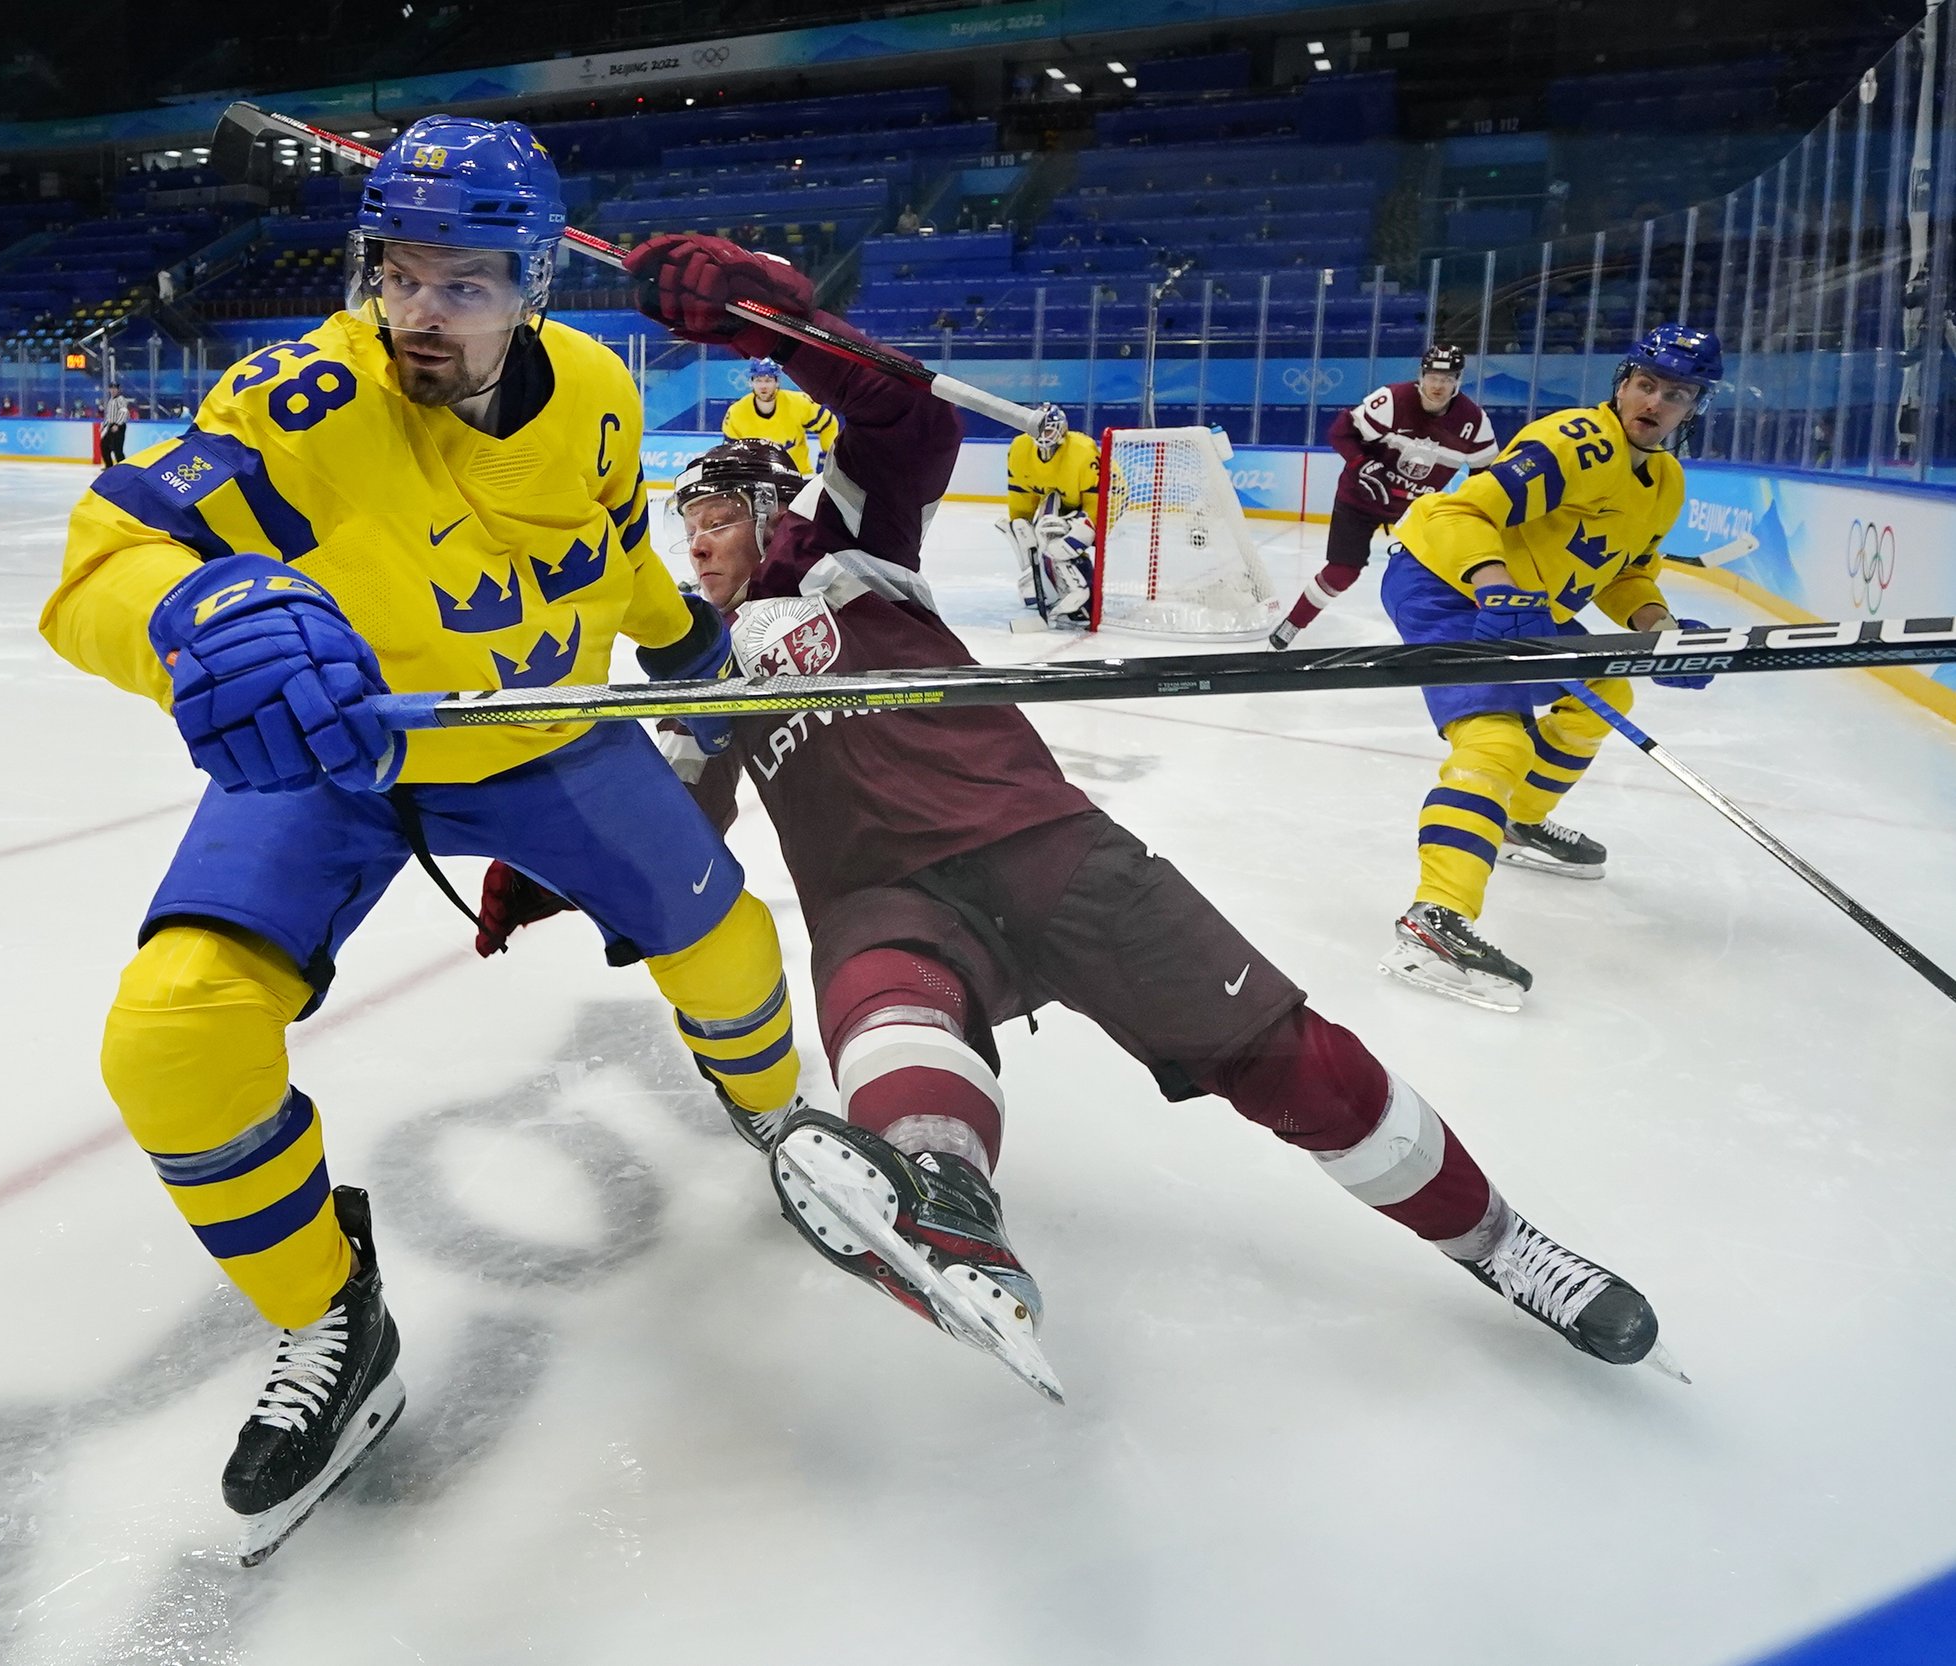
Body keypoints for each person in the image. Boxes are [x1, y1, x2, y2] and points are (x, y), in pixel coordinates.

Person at [478, 232, 1673, 1403]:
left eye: (721, 515)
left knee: (1285, 1059)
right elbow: (668, 826)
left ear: (774, 509)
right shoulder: (699, 675)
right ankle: (945, 1203)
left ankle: (1504, 1244)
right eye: (686, 525)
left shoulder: (844, 552)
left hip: (1041, 842)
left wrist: (758, 313)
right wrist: (550, 852)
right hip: (880, 897)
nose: (698, 540)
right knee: (879, 1005)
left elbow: (907, 419)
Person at [38, 116, 804, 1565]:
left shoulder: (595, 390)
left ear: (533, 287)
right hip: (344, 752)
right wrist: (188, 616)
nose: (413, 313)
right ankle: (332, 1312)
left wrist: (684, 631)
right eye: (395, 273)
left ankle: (775, 1115)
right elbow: (101, 561)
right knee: (169, 1031)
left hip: (547, 737)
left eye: (459, 284)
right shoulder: (304, 399)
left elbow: (599, 547)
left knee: (731, 943)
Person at [1375, 325, 1723, 1011]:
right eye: (1646, 384)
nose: (1654, 402)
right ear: (1623, 384)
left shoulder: (1666, 482)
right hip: (1443, 578)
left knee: (1605, 687)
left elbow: (1627, 576)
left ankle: (1516, 821)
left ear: (1693, 408)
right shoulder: (1575, 442)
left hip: (1522, 601)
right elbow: (1461, 512)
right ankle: (1432, 921)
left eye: (1675, 394)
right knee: (1495, 738)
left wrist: (1664, 630)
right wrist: (1495, 585)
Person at [1270, 345, 1496, 649]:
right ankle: (1292, 624)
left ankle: (1474, 633)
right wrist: (1362, 464)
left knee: (1451, 569)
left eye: (1447, 378)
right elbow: (1340, 432)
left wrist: (1468, 512)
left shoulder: (1474, 423)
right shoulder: (1392, 400)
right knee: (1342, 572)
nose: (1438, 385)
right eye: (1432, 376)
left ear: (1458, 381)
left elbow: (1485, 474)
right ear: (1421, 375)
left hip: (1415, 511)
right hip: (1359, 498)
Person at [1002, 410, 1100, 621]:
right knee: (1042, 535)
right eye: (1039, 429)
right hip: (1060, 499)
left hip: (1106, 499)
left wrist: (1075, 527)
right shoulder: (1020, 449)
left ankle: (1084, 592)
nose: (1043, 435)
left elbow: (1097, 504)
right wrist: (1022, 525)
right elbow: (1021, 497)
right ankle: (1051, 588)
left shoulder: (1082, 451)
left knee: (1064, 546)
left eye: (1048, 429)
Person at [719, 356, 835, 474]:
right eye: (758, 380)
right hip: (756, 478)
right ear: (751, 382)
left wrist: (827, 456)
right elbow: (729, 451)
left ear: (777, 382)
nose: (763, 386)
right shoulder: (737, 412)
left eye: (768, 380)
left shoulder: (799, 403)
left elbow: (829, 424)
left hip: (798, 477)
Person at [99, 391, 130, 466]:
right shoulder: (111, 400)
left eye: (115, 389)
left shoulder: (120, 399)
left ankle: (122, 468)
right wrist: (104, 425)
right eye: (111, 388)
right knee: (104, 445)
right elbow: (109, 415)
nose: (113, 390)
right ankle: (109, 466)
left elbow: (124, 412)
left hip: (118, 426)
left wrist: (118, 425)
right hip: (111, 425)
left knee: (117, 449)